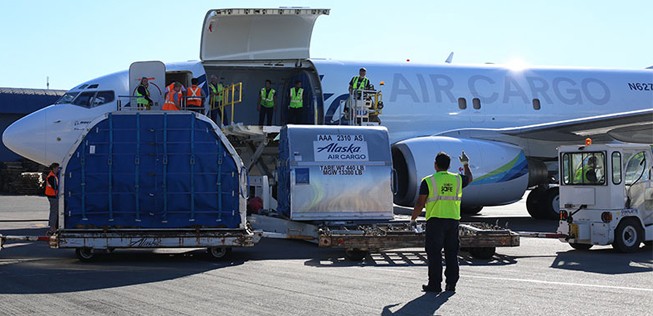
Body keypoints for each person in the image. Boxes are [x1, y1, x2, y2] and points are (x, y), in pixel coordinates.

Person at [410, 151, 473, 293]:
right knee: (451, 253)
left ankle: (434, 284)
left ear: (435, 165)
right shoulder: (457, 179)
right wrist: (465, 164)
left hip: (435, 221)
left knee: (434, 253)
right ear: (449, 165)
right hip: (453, 221)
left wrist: (413, 219)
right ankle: (451, 284)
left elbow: (420, 203)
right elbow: (469, 178)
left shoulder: (428, 181)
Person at [45, 163, 60, 235]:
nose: (58, 169)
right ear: (54, 168)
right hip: (52, 196)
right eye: (57, 168)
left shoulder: (53, 175)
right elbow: (55, 187)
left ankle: (53, 227)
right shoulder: (51, 177)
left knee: (54, 211)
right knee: (54, 212)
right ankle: (52, 227)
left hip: (52, 195)